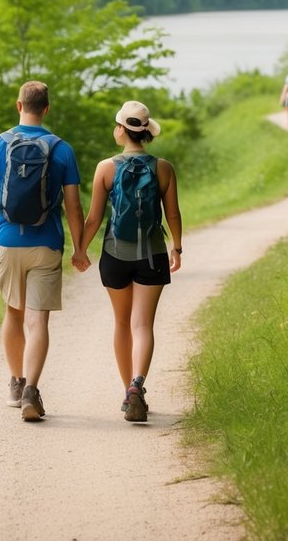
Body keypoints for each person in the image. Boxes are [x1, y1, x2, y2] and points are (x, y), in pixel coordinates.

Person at [0, 80, 90, 422]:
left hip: (7, 242)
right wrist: (80, 248)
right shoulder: (61, 149)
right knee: (38, 320)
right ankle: (33, 390)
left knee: (13, 314)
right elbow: (75, 207)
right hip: (46, 244)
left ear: (19, 106)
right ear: (46, 108)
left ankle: (16, 384)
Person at [79, 101, 183, 422]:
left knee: (122, 324)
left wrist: (80, 250)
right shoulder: (163, 168)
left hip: (115, 254)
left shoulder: (105, 168)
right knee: (143, 325)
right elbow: (173, 214)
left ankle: (128, 392)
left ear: (121, 130)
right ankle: (139, 385)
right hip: (152, 255)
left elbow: (95, 217)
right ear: (146, 133)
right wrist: (176, 247)